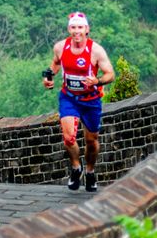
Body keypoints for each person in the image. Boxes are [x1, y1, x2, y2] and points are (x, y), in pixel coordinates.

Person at [42, 12, 115, 192]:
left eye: (80, 27)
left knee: (91, 141)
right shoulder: (60, 47)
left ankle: (90, 172)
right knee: (68, 138)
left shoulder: (96, 50)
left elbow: (110, 74)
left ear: (87, 29)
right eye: (73, 28)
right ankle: (76, 167)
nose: (76, 31)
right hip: (69, 97)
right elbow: (56, 64)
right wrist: (49, 77)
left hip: (91, 100)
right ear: (69, 29)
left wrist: (97, 81)